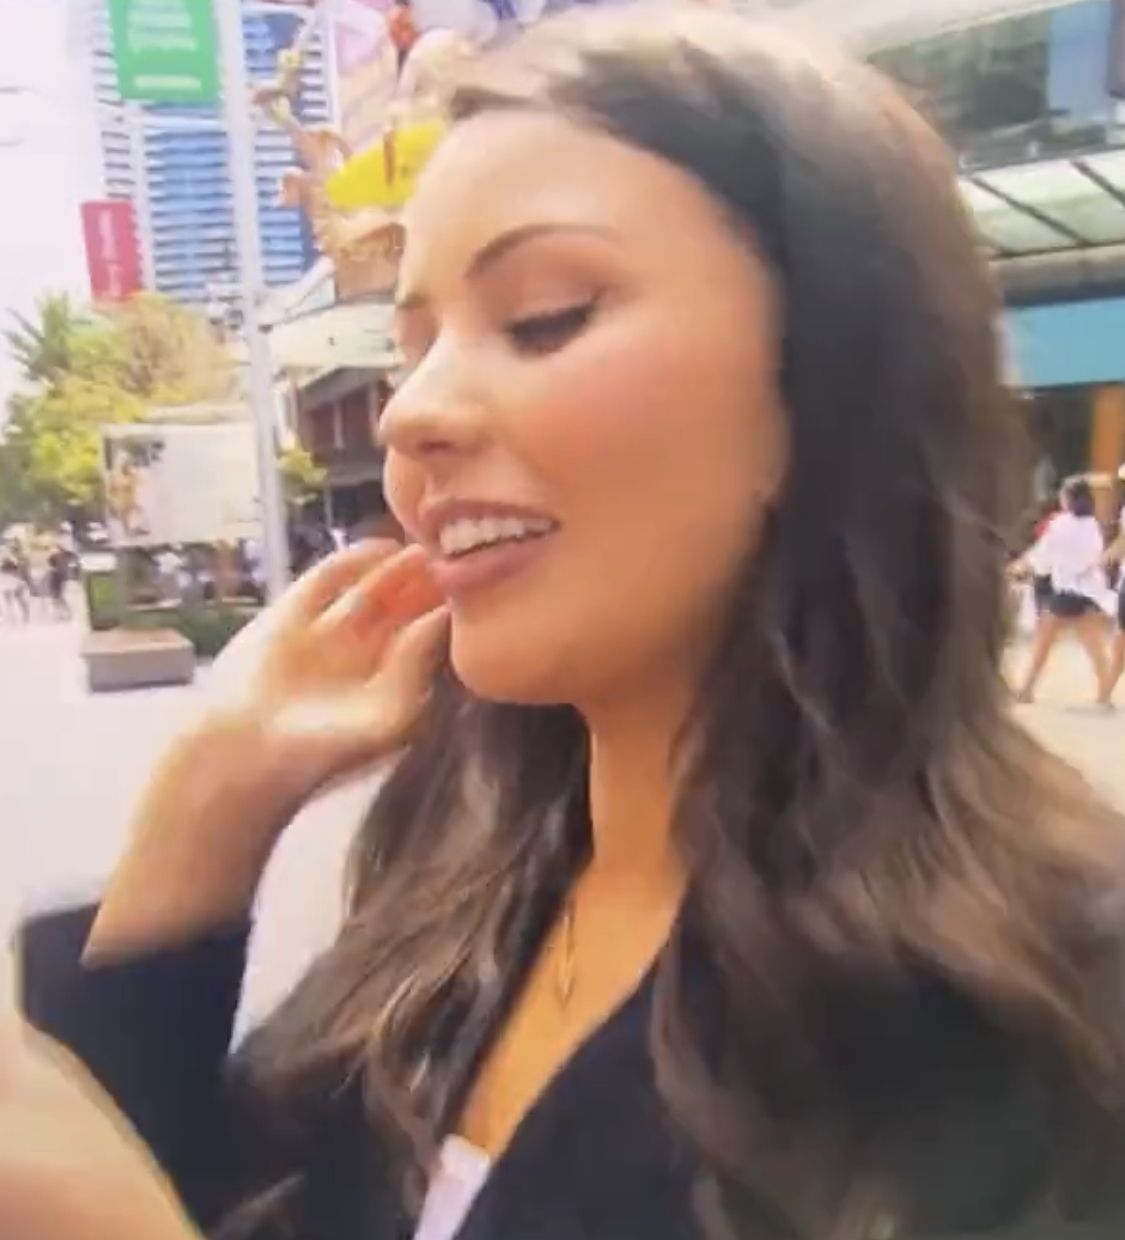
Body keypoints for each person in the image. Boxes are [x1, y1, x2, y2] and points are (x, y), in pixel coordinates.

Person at [9, 10, 1125, 1240]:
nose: (407, 416)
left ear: (824, 384)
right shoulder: (457, 891)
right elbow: (183, 1186)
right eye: (410, 349)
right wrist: (214, 803)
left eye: (543, 317)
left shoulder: (1049, 1013)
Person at [1012, 477, 1113, 705]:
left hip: (1066, 591)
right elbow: (1092, 558)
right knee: (1095, 647)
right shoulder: (1093, 525)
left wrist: (1022, 566)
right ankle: (1104, 693)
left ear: (1069, 499)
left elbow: (1043, 554)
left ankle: (1026, 690)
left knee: (1043, 644)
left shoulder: (1060, 523)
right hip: (1087, 593)